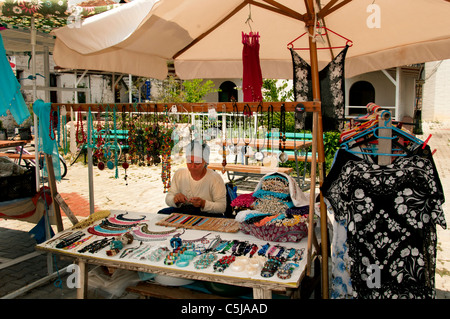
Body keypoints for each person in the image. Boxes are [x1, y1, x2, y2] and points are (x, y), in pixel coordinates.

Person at [158, 141, 227, 217]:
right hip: (184, 211)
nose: (192, 166)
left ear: (205, 162)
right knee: (161, 214)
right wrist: (175, 199)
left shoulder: (215, 178)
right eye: (189, 162)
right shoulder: (180, 174)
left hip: (207, 214)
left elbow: (222, 207)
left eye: (197, 163)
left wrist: (203, 204)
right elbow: (168, 198)